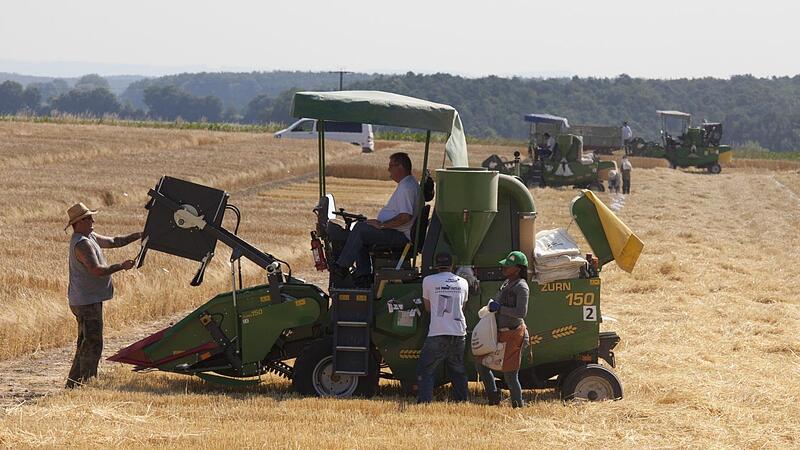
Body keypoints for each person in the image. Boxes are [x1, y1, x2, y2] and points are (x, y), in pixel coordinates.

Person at [65, 202, 141, 388]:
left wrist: (139, 235)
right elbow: (97, 270)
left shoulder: (89, 236)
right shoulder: (82, 244)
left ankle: (74, 384)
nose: (93, 220)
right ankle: (88, 383)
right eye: (89, 218)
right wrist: (120, 267)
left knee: (85, 343)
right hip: (86, 302)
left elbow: (115, 241)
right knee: (92, 344)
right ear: (79, 222)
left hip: (86, 300)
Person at [330, 152, 417, 281]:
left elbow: (405, 217)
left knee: (360, 229)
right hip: (398, 232)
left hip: (401, 236)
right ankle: (363, 276)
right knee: (364, 227)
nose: (388, 169)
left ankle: (341, 267)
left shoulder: (406, 187)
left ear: (400, 167)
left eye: (391, 166)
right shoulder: (410, 183)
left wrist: (382, 225)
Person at [476, 251, 530, 408]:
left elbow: (521, 313)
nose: (504, 268)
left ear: (518, 269)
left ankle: (518, 405)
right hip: (501, 333)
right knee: (481, 365)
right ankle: (494, 397)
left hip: (514, 334)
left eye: (508, 266)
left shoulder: (522, 287)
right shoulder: (507, 283)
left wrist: (500, 309)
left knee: (510, 374)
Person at [416, 252, 470, 404]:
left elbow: (428, 308)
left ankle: (425, 402)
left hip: (438, 332)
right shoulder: (463, 282)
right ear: (452, 265)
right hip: (459, 332)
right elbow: (462, 306)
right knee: (458, 369)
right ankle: (461, 400)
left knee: (426, 369)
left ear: (436, 265)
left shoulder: (428, 281)